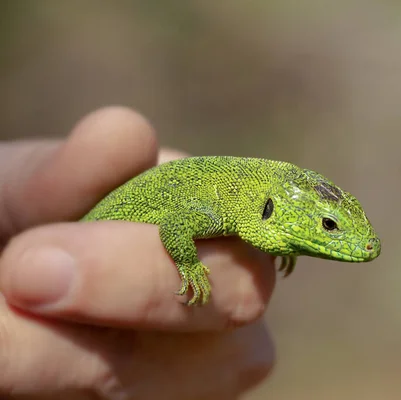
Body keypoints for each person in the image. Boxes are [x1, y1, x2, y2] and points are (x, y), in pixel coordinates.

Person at [0, 106, 276, 399]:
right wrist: (190, 266)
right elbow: (176, 226)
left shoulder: (244, 211)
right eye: (328, 226)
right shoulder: (220, 213)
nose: (333, 240)